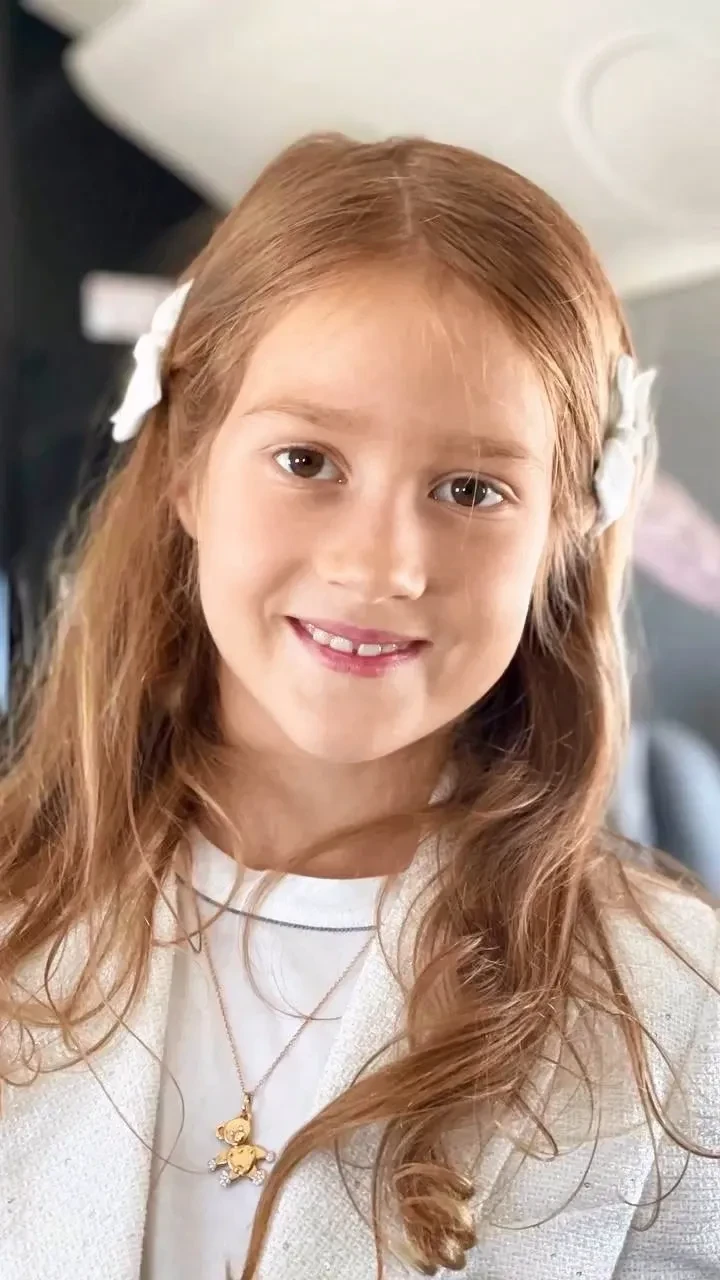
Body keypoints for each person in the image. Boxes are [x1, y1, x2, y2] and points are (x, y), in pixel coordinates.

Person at [0, 134, 718, 1280]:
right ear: (187, 463)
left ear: (563, 530)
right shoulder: (20, 908)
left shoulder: (675, 1011)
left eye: (471, 489)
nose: (383, 563)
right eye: (307, 461)